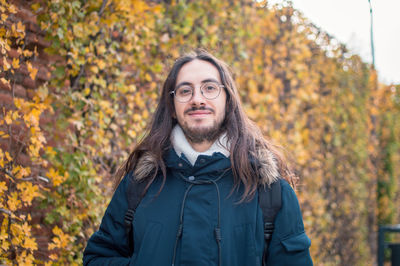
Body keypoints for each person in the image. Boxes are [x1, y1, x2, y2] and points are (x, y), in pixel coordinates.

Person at [83, 49, 313, 266]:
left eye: (209, 88)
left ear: (228, 99)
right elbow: (97, 258)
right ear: (172, 107)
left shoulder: (270, 191)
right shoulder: (140, 183)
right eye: (185, 91)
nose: (197, 99)